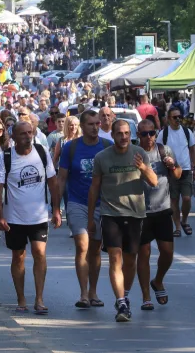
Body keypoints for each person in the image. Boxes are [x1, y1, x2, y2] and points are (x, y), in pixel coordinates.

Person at [86, 120, 158, 322]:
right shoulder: (102, 157)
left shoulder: (139, 153)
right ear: (113, 135)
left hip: (135, 214)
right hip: (110, 213)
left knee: (130, 260)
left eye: (127, 133)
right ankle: (121, 302)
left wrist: (142, 167)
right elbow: (94, 188)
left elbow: (153, 181)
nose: (124, 137)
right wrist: (91, 218)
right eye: (119, 133)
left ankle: (124, 294)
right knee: (115, 258)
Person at [0, 121, 62, 315]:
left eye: (30, 133)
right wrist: (0, 216)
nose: (27, 137)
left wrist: (56, 210)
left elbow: (53, 182)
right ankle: (21, 299)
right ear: (13, 137)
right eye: (22, 134)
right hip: (14, 218)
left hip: (38, 216)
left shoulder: (41, 152)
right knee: (18, 257)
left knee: (39, 254)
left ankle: (39, 299)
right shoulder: (6, 157)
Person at [58, 110, 111, 308]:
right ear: (82, 126)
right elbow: (61, 178)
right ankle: (83, 294)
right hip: (77, 202)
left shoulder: (107, 146)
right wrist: (56, 208)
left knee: (95, 249)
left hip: (101, 204)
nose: (95, 127)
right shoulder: (71, 148)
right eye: (91, 124)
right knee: (82, 245)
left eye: (98, 124)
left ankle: (93, 291)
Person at [135, 119, 180, 310]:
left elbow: (178, 175)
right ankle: (146, 296)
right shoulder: (133, 152)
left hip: (162, 208)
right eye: (144, 134)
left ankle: (158, 280)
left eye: (152, 133)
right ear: (138, 135)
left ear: (156, 133)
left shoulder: (164, 151)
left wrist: (172, 166)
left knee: (167, 252)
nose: (149, 137)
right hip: (140, 211)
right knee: (144, 253)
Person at [158, 108, 195, 236]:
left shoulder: (187, 132)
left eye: (179, 116)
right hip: (170, 171)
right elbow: (158, 150)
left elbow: (193, 150)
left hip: (185, 170)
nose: (178, 119)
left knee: (186, 198)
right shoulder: (163, 134)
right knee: (174, 200)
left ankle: (184, 220)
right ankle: (177, 227)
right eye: (175, 117)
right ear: (169, 119)